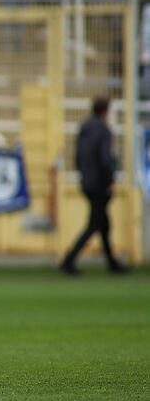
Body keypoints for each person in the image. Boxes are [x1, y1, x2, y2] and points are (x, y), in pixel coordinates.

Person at [60, 97, 130, 276]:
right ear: (106, 111)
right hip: (99, 183)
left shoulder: (84, 128)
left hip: (86, 181)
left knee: (103, 224)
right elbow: (105, 159)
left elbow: (77, 156)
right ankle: (69, 260)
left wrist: (83, 176)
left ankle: (112, 264)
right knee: (94, 224)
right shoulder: (104, 130)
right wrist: (109, 181)